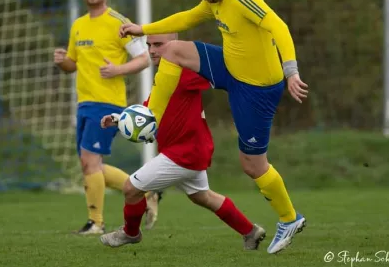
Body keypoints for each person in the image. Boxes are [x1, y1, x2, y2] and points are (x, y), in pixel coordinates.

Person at [118, 0, 307, 254]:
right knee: (174, 49)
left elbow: (279, 27)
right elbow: (185, 18)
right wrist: (143, 29)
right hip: (230, 68)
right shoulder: (213, 2)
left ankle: (290, 218)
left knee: (252, 165)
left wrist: (291, 72)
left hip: (255, 88)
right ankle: (152, 115)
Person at [99, 33, 267, 250]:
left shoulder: (187, 71)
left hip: (183, 153)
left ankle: (131, 233)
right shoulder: (165, 75)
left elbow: (222, 69)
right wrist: (118, 119)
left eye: (158, 45)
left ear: (176, 45)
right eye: (149, 45)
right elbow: (147, 112)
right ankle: (250, 232)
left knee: (131, 188)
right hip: (190, 150)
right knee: (203, 197)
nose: (152, 50)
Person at [53, 0, 157, 235]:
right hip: (84, 103)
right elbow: (73, 64)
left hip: (108, 103)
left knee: (90, 161)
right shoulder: (78, 25)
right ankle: (146, 192)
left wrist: (118, 70)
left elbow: (144, 58)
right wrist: (63, 61)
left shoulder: (118, 22)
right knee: (91, 165)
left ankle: (96, 223)